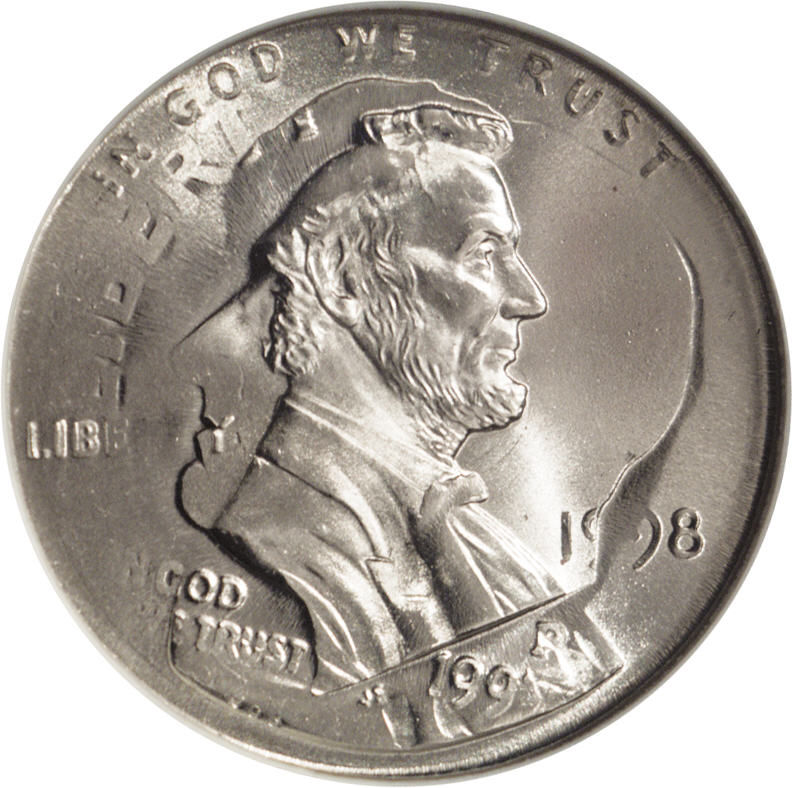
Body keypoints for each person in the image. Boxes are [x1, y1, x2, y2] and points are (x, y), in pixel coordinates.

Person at [192, 87, 571, 691]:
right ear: (343, 278)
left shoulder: (479, 537)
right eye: (483, 254)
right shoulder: (280, 542)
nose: (529, 298)